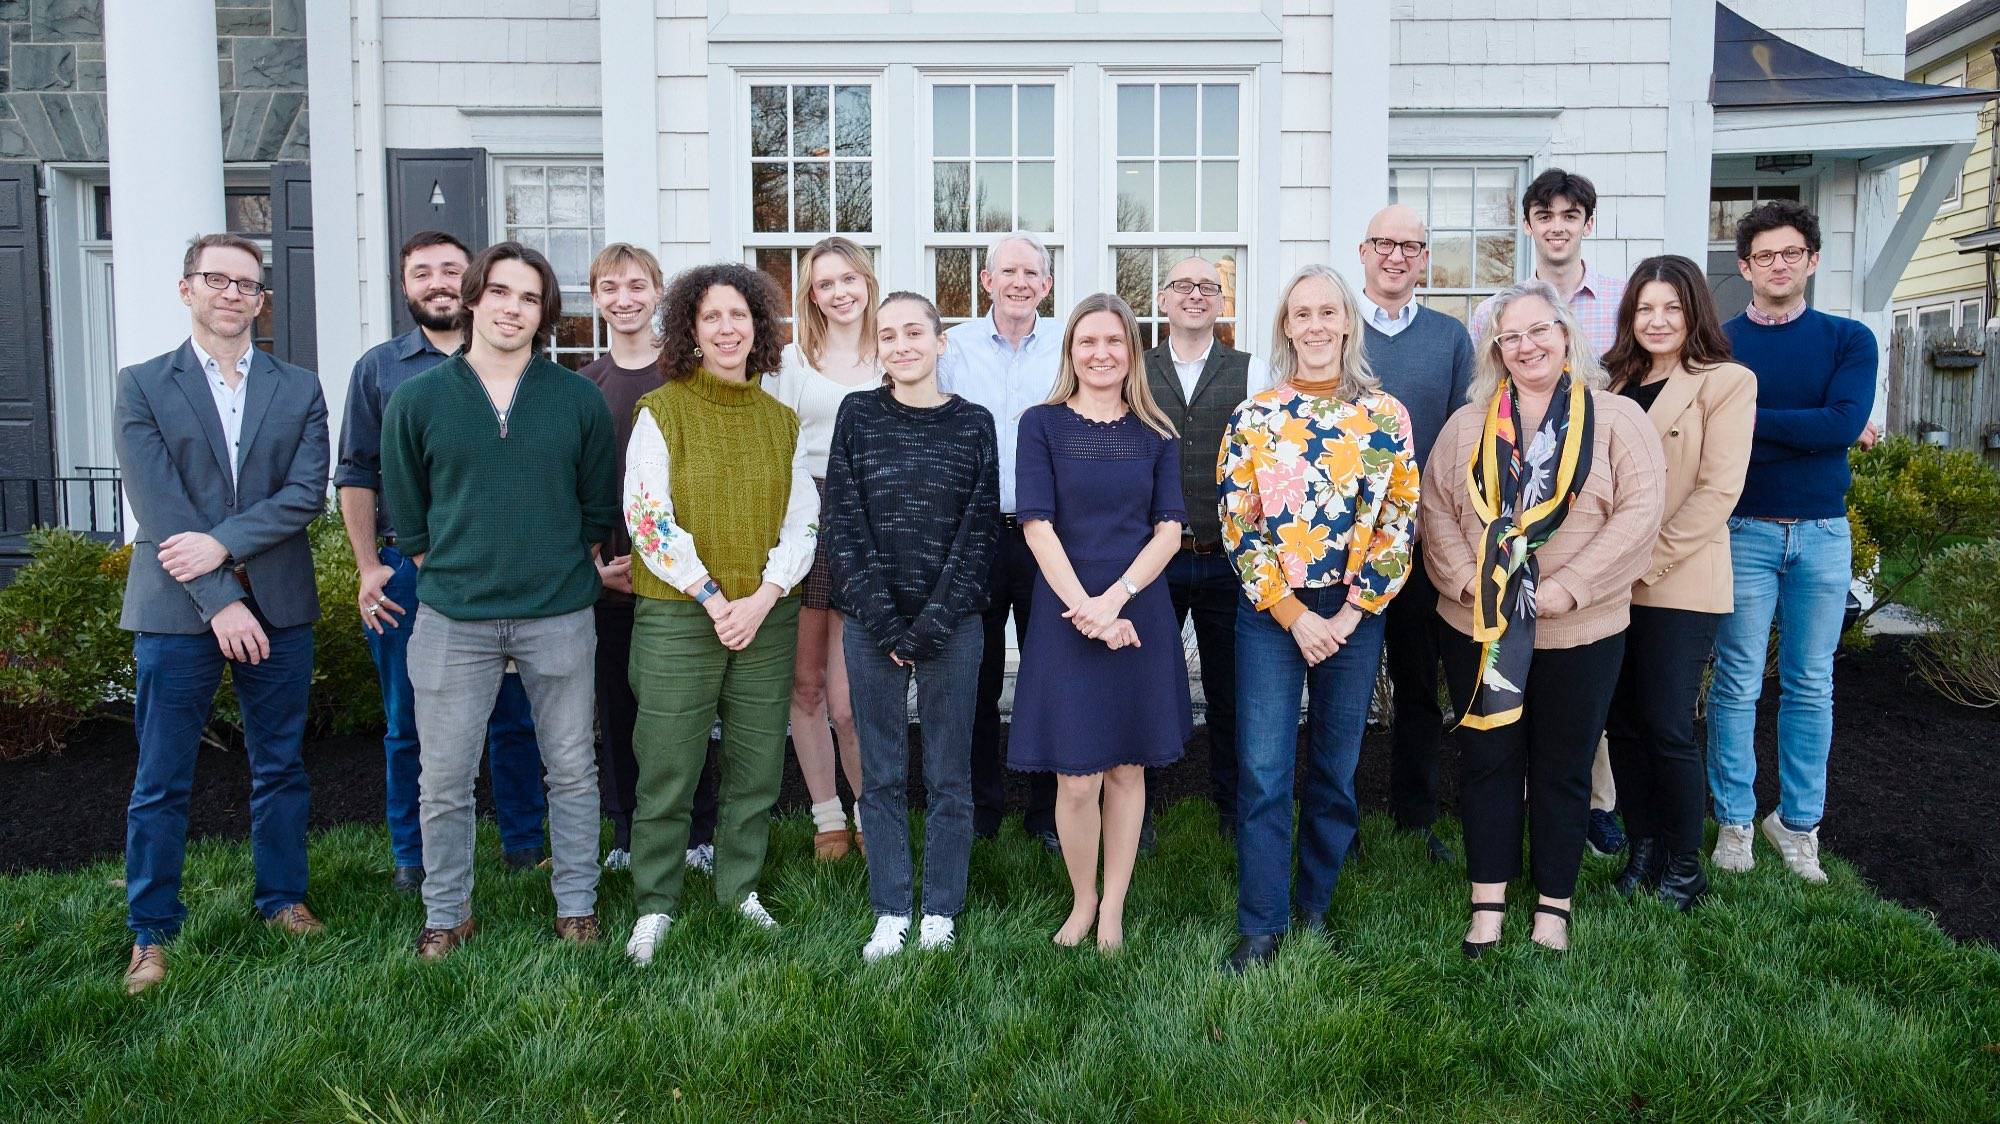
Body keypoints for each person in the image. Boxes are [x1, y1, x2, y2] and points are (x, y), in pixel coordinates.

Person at [381, 242, 618, 958]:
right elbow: (410, 516)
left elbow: (594, 507)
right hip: (454, 617)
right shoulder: (417, 400)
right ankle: (446, 912)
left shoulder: (577, 398)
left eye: (530, 297)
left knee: (573, 768)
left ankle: (576, 906)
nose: (513, 308)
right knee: (445, 776)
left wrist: (546, 566)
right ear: (475, 297)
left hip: (559, 613)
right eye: (502, 292)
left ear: (544, 313)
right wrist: (457, 570)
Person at [115, 233, 331, 994]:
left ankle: (281, 900)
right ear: (187, 289)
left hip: (280, 603)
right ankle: (151, 932)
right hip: (176, 612)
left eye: (248, 284)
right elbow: (159, 505)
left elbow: (305, 495)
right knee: (161, 778)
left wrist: (224, 551)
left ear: (261, 300)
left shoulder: (299, 387)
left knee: (281, 767)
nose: (233, 293)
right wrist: (220, 599)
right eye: (218, 279)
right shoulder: (142, 384)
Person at [1421, 279, 1663, 956]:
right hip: (1480, 628)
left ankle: (1553, 904)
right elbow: (1435, 512)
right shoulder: (1468, 425)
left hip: (1580, 630)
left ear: (1565, 336)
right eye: (1511, 336)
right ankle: (1488, 902)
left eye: (1538, 330)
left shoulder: (1616, 420)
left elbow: (1641, 518)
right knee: (1489, 760)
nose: (1526, 345)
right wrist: (1469, 584)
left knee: (1563, 766)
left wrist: (1573, 588)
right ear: (1496, 350)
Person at [1216, 265, 1420, 973]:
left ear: (1346, 322)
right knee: (1266, 771)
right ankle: (1263, 923)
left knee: (1335, 769)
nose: (1313, 326)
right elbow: (1239, 523)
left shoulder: (1386, 417)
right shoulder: (1255, 417)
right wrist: (1295, 614)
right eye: (1299, 314)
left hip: (1354, 614)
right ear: (1285, 328)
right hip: (1273, 612)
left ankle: (1314, 908)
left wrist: (1353, 611)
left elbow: (1399, 520)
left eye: (1325, 311)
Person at [336, 230, 549, 895]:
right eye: (420, 272)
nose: (436, 282)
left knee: (512, 715)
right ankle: (414, 856)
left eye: (450, 270)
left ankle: (524, 844)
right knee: (408, 720)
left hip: (502, 569)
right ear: (405, 287)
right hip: (409, 573)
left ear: (477, 282)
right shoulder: (379, 370)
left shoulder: (519, 361)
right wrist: (370, 566)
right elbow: (356, 472)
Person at [621, 263, 818, 965]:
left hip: (766, 616)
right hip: (680, 615)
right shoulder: (662, 411)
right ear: (691, 331)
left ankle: (739, 889)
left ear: (759, 328)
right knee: (668, 766)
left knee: (756, 764)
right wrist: (711, 596)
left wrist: (762, 598)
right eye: (712, 318)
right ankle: (654, 902)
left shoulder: (781, 421)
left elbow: (804, 524)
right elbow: (648, 520)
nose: (728, 328)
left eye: (740, 316)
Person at [1008, 293, 1189, 952]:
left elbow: (1170, 530)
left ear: (1131, 353)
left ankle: (1113, 905)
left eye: (1114, 342)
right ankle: (1081, 898)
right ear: (1071, 351)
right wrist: (1086, 606)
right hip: (1064, 612)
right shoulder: (1042, 425)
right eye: (1088, 341)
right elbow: (1035, 522)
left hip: (1138, 611)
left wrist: (1115, 599)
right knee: (1077, 778)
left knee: (1125, 770)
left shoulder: (1158, 433)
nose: (1101, 353)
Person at [826, 292, 1000, 961]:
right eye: (888, 335)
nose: (901, 345)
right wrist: (885, 620)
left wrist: (927, 625)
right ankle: (892, 907)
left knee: (951, 773)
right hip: (872, 622)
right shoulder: (859, 415)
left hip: (952, 623)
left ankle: (941, 910)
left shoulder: (973, 424)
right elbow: (844, 521)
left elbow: (979, 531)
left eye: (913, 333)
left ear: (939, 341)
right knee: (883, 771)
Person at [1707, 201, 1876, 885]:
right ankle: (1737, 821)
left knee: (1811, 684)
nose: (1779, 264)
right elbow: (1721, 445)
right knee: (1737, 684)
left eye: (1792, 253)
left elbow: (1843, 422)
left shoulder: (1848, 339)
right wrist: (1814, 431)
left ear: (1810, 259)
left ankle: (1798, 824)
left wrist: (1753, 423)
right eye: (1765, 255)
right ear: (1745, 266)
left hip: (1823, 534)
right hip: (1743, 530)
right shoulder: (1720, 345)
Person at [1469, 166, 1631, 858]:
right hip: (1512, 509)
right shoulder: (1491, 311)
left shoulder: (1621, 300)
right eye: (1545, 213)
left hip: (1589, 508)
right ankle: (1518, 800)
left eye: (1571, 214)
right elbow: (1482, 410)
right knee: (1518, 660)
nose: (1558, 224)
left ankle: (1591, 804)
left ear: (1587, 223)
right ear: (1529, 224)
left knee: (1583, 683)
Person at [1599, 255, 1756, 910]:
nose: (1657, 320)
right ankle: (1643, 850)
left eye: (1671, 307)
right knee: (1623, 723)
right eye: (1645, 308)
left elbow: (1718, 491)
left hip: (1679, 579)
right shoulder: (1612, 387)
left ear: (1693, 312)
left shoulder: (1725, 382)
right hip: (1609, 586)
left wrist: (1643, 560)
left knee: (1665, 723)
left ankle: (1685, 866)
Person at [577, 242, 720, 875]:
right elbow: (572, 485)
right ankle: (628, 831)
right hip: (610, 582)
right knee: (619, 709)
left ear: (658, 292)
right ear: (596, 298)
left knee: (692, 713)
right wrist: (593, 568)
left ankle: (701, 831)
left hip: (684, 582)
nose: (624, 298)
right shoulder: (585, 386)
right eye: (610, 287)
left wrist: (683, 568)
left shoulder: (688, 378)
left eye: (637, 285)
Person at [1354, 204, 1475, 865]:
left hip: (1421, 544)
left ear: (1425, 258)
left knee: (1417, 686)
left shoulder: (1449, 338)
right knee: (1342, 686)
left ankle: (1414, 815)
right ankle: (1334, 814)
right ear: (1363, 251)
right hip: (1344, 551)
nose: (1396, 256)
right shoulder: (1337, 331)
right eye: (1384, 243)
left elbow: (1460, 442)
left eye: (1410, 246)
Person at [1139, 255, 1271, 843]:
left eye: (1208, 287)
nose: (1196, 294)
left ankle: (1231, 809)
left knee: (1231, 690)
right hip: (1152, 557)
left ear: (1221, 302)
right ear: (1162, 299)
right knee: (1143, 684)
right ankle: (1138, 807)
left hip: (1226, 558)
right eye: (1183, 285)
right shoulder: (1134, 370)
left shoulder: (1251, 370)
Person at [938, 231, 1064, 846]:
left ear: (1046, 285)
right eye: (1006, 271)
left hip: (1048, 537)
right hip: (974, 535)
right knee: (976, 677)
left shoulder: (1067, 348)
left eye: (1030, 273)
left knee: (1049, 675)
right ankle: (980, 810)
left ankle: (1046, 812)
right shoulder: (952, 350)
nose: (1018, 282)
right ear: (985, 280)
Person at [765, 236, 878, 861]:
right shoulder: (790, 361)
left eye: (849, 279)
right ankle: (826, 816)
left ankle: (870, 813)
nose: (839, 293)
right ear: (812, 294)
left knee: (848, 698)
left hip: (868, 519)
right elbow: (775, 446)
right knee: (804, 688)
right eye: (825, 283)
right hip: (803, 514)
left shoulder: (891, 348)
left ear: (867, 281)